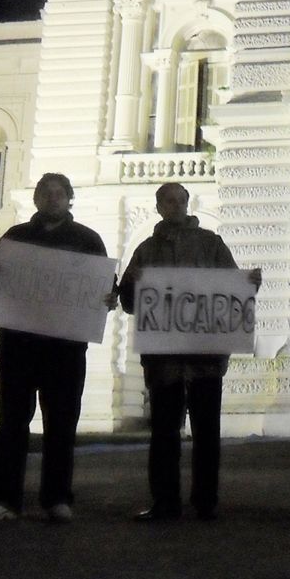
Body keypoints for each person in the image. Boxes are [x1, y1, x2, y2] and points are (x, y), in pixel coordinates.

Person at [0, 173, 113, 524]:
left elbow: (107, 289)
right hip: (18, 346)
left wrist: (109, 297)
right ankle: (4, 498)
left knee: (61, 424)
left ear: (69, 198)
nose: (52, 199)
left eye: (59, 193)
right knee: (12, 423)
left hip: (65, 349)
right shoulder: (15, 237)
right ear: (36, 198)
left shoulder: (87, 240)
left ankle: (58, 498)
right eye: (46, 193)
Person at [118, 182, 259, 522]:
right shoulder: (145, 249)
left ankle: (205, 501)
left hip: (205, 359)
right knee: (164, 432)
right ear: (159, 207)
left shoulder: (212, 243)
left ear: (187, 204)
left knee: (206, 432)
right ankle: (166, 500)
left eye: (180, 200)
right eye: (169, 200)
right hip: (163, 358)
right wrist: (131, 283)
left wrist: (249, 283)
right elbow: (128, 303)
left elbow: (230, 293)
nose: (175, 205)